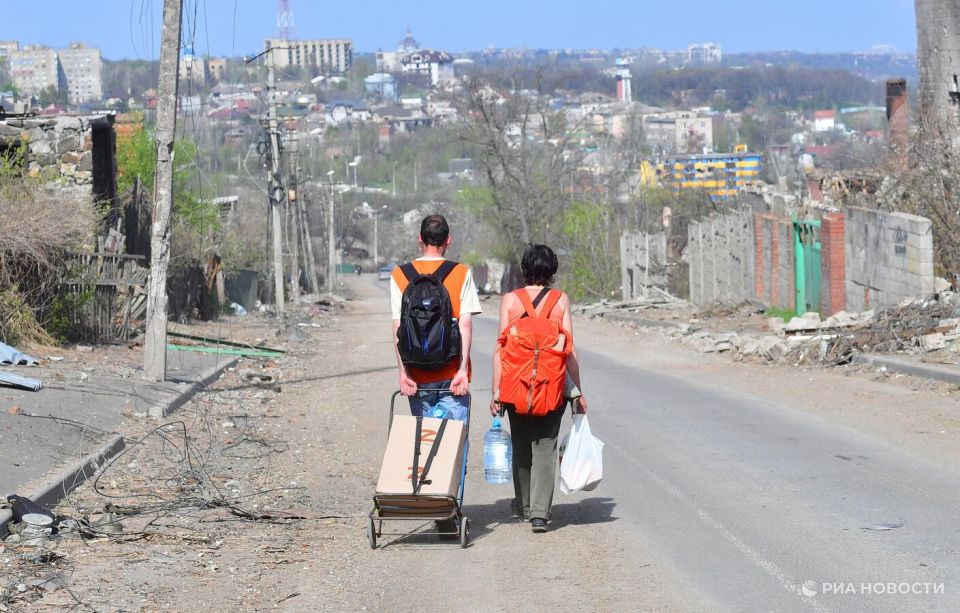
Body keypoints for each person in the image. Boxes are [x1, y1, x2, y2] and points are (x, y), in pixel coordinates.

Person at [490, 244, 587, 533]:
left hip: (516, 383)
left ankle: (523, 506)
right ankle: (540, 515)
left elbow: (500, 350)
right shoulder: (560, 300)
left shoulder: (510, 300)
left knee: (521, 445)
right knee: (545, 446)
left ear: (525, 269)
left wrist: (496, 392)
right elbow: (569, 351)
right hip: (551, 384)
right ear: (552, 271)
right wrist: (578, 391)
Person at [390, 214, 483, 419]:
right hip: (452, 374)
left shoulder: (400, 274)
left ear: (419, 238)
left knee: (424, 441)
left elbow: (398, 327)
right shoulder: (460, 272)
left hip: (417, 374)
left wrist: (404, 373)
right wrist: (462, 371)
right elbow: (465, 324)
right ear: (448, 239)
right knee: (453, 443)